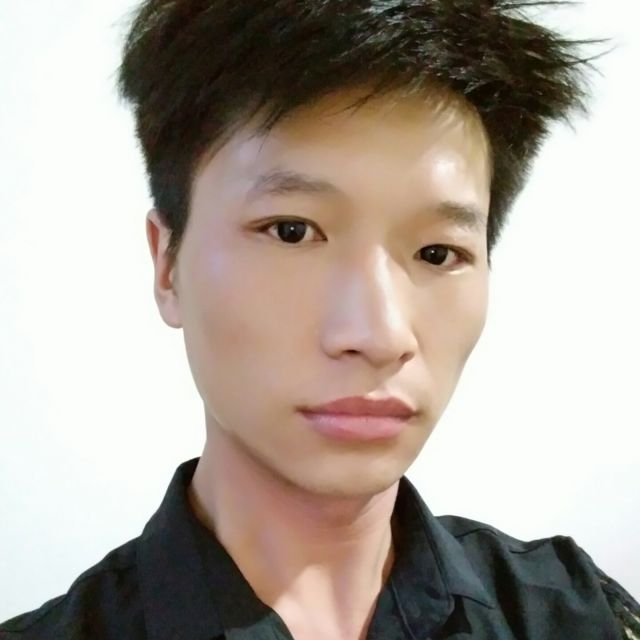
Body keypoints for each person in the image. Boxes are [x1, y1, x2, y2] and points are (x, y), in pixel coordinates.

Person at [1, 0, 638, 638]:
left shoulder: (576, 614)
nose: (380, 335)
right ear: (168, 264)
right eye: (292, 230)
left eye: (438, 253)